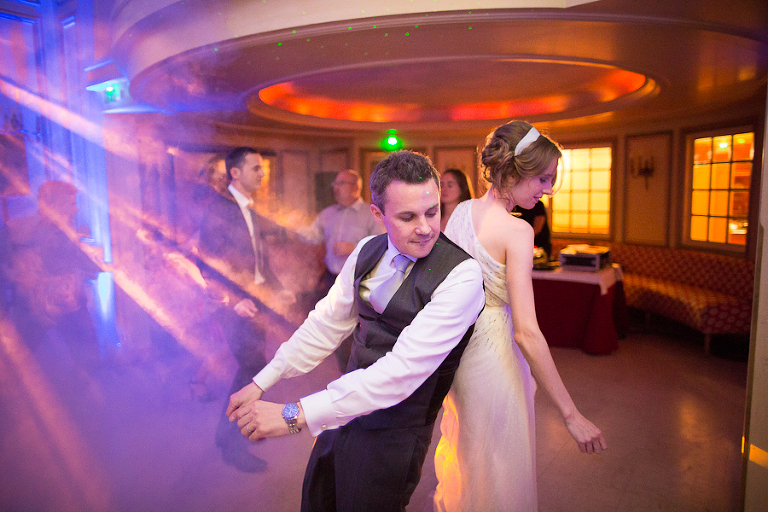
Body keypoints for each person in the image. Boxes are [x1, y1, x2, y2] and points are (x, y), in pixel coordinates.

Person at [226, 150, 485, 512]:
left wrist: (293, 415)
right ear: (377, 215)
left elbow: (401, 373)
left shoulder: (462, 276)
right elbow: (325, 324)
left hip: (396, 430)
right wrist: (262, 381)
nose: (425, 228)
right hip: (341, 411)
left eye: (432, 212)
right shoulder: (367, 249)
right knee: (320, 498)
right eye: (408, 217)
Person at [433, 121, 607, 512]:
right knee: (501, 472)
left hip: (460, 358)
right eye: (542, 179)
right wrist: (571, 413)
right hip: (495, 360)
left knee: (471, 458)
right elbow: (527, 333)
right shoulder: (518, 232)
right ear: (512, 172)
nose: (547, 189)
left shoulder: (460, 212)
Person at [196, 146, 291, 472]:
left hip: (255, 304)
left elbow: (257, 262)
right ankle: (231, 440)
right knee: (252, 370)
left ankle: (240, 426)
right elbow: (206, 261)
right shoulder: (219, 209)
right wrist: (233, 300)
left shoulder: (250, 209)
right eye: (256, 168)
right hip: (234, 307)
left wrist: (279, 289)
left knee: (253, 369)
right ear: (235, 173)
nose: (262, 174)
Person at [0, 180, 100, 371]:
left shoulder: (69, 233)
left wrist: (97, 261)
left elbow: (90, 267)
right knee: (19, 368)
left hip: (70, 307)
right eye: (71, 204)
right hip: (32, 310)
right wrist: (17, 275)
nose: (76, 210)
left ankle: (86, 394)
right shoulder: (17, 230)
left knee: (90, 361)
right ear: (53, 205)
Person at [297, 169, 384, 370]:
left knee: (358, 328)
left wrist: (353, 249)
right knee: (334, 326)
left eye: (341, 183)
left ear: (356, 187)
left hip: (360, 280)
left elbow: (382, 247)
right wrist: (294, 225)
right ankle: (345, 371)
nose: (335, 187)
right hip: (332, 279)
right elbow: (312, 236)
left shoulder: (370, 214)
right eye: (335, 184)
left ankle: (361, 372)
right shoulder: (327, 214)